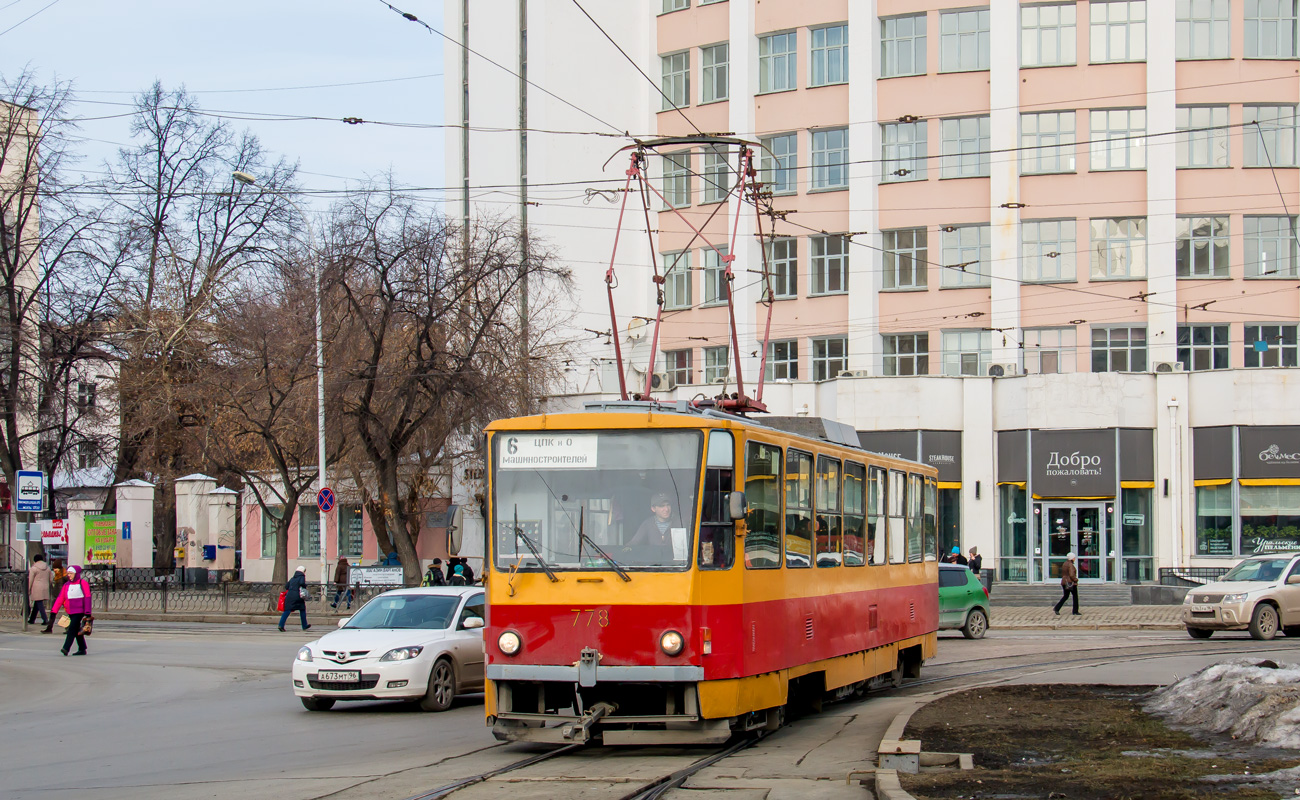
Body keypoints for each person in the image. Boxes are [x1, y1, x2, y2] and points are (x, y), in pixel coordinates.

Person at [50, 564, 92, 656]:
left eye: (71, 573)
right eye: (68, 573)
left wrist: (87, 612)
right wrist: (54, 610)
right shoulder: (66, 585)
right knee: (76, 629)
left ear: (76, 574)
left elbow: (87, 597)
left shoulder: (83, 583)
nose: (69, 575)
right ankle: (82, 648)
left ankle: (66, 648)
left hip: (79, 611)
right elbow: (61, 598)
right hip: (70, 611)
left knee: (72, 629)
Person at [628, 493, 681, 563]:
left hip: (676, 566)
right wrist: (624, 551)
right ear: (653, 509)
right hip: (654, 565)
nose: (666, 509)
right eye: (662, 506)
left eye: (668, 505)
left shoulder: (680, 523)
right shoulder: (647, 524)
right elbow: (634, 543)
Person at [279, 565, 313, 632]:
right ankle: (304, 625)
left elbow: (286, 586)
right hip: (298, 596)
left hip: (289, 596)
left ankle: (281, 625)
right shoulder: (302, 576)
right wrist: (305, 586)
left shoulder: (293, 578)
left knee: (287, 610)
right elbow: (302, 583)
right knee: (302, 610)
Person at [27, 553, 52, 629]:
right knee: (37, 603)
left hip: (37, 587)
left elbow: (30, 580)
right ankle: (32, 619)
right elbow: (51, 579)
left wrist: (28, 589)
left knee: (39, 602)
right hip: (45, 586)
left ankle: (45, 619)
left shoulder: (34, 568)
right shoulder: (47, 568)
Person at [42, 558, 66, 633]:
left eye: (56, 568)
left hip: (63, 597)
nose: (54, 570)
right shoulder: (57, 575)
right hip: (56, 597)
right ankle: (49, 628)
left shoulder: (65, 575)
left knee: (69, 613)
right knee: (53, 612)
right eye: (54, 568)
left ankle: (71, 628)